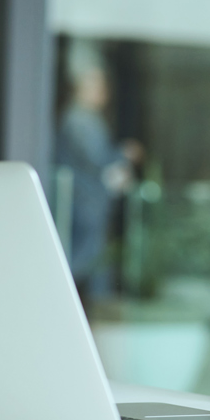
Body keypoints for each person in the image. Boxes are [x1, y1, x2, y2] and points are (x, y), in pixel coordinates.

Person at [54, 60, 143, 308]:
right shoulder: (78, 120)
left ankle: (95, 307)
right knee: (83, 259)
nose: (103, 92)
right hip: (83, 202)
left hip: (90, 201)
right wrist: (123, 153)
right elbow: (97, 159)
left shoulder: (87, 119)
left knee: (94, 260)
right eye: (96, 85)